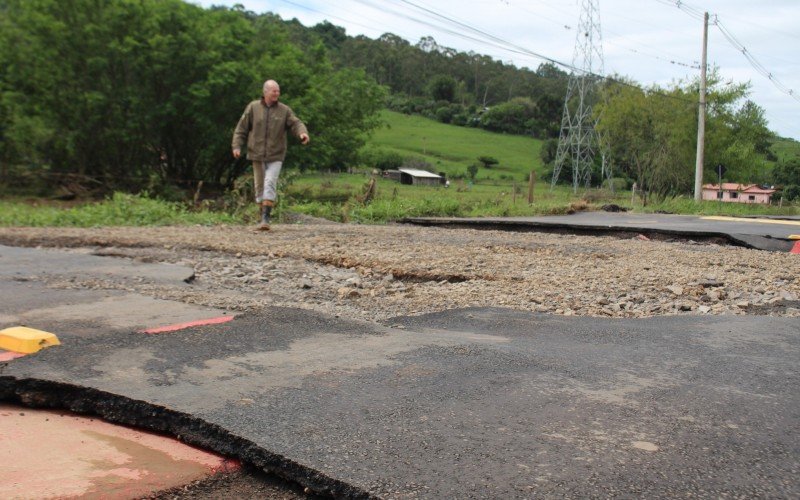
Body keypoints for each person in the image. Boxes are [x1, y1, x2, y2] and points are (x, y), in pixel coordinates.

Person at [232, 80, 309, 230]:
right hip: (257, 154)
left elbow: (296, 123)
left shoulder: (284, 110)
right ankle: (262, 217)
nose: (277, 94)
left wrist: (302, 133)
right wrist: (236, 146)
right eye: (274, 91)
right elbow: (241, 128)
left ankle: (266, 218)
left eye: (278, 91)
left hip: (276, 154)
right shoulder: (253, 108)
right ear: (265, 92)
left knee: (270, 182)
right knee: (259, 187)